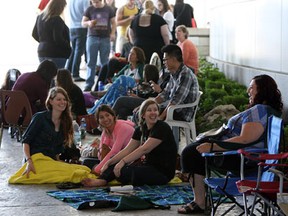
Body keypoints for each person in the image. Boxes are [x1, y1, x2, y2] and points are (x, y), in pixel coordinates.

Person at [178, 74, 283, 214]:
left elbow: (245, 140)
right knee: (193, 151)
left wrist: (212, 147)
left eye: (251, 88)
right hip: (244, 157)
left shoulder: (259, 110)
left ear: (262, 90)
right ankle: (200, 200)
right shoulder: (267, 110)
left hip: (243, 160)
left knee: (191, 154)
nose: (248, 91)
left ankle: (200, 202)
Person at [81, 98, 177, 187]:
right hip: (147, 166)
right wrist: (108, 162)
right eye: (149, 110)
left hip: (162, 172)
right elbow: (127, 149)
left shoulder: (162, 127)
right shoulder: (140, 129)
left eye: (155, 110)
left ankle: (105, 179)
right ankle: (103, 180)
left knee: (124, 170)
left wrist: (122, 162)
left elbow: (144, 149)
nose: (153, 113)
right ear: (143, 115)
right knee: (114, 162)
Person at [21, 87, 74, 178]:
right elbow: (26, 141)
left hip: (50, 161)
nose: (63, 102)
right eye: (59, 99)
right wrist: (29, 162)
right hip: (35, 159)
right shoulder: (40, 118)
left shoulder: (65, 122)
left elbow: (57, 148)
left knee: (80, 170)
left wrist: (59, 162)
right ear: (51, 101)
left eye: (64, 99)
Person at [87, 46, 146, 114]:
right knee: (118, 83)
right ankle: (95, 110)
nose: (130, 55)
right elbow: (116, 77)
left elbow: (143, 81)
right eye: (129, 53)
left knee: (122, 79)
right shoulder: (127, 67)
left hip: (133, 89)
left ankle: (104, 93)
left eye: (133, 54)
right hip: (122, 88)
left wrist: (134, 80)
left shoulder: (141, 68)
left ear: (138, 58)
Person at [86, 105, 135, 175]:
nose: (105, 119)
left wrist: (98, 169)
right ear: (98, 121)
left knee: (108, 166)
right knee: (86, 162)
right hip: (117, 158)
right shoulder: (105, 131)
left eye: (107, 115)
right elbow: (102, 151)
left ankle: (101, 178)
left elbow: (114, 152)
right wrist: (101, 164)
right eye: (101, 117)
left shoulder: (122, 127)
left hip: (130, 160)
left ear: (113, 116)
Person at [155, 44, 198, 122]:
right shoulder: (174, 73)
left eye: (165, 59)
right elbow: (165, 94)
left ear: (174, 59)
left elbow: (176, 101)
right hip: (173, 108)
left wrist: (160, 117)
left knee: (150, 115)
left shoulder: (185, 74)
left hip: (182, 113)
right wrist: (148, 104)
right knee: (146, 111)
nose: (164, 62)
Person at [81, 0, 116, 91]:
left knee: (104, 62)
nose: (95, 4)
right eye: (93, 2)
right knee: (91, 62)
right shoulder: (89, 9)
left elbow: (113, 22)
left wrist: (112, 33)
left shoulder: (109, 9)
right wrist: (88, 23)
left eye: (97, 2)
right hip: (92, 37)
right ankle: (89, 84)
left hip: (105, 38)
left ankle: (103, 82)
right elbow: (83, 22)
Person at [32, 0, 71, 69]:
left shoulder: (40, 17)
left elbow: (34, 34)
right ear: (60, 7)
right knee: (56, 76)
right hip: (56, 53)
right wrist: (68, 48)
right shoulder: (57, 19)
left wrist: (44, 42)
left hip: (42, 51)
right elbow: (58, 38)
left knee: (45, 77)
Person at [65, 0, 90, 82]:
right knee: (79, 52)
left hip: (72, 27)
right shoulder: (84, 1)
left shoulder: (71, 1)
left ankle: (67, 72)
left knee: (73, 51)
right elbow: (87, 13)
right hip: (81, 28)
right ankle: (75, 74)